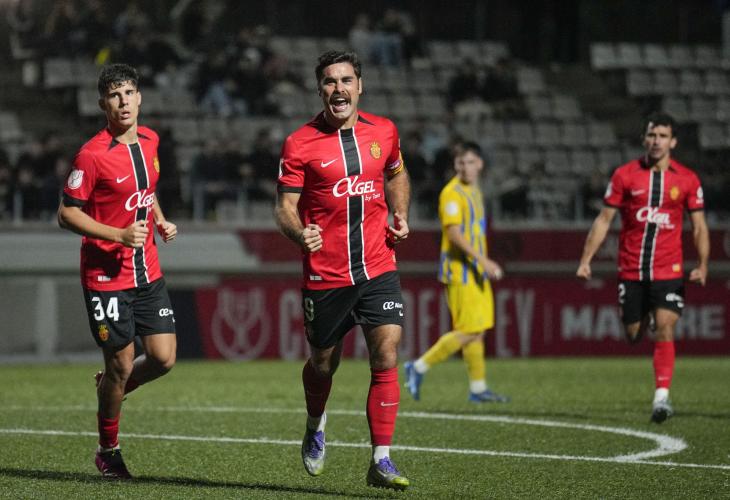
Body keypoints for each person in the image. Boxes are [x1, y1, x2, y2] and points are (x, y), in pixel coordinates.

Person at [275, 50, 411, 490]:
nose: (339, 89)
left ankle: (381, 459)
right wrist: (300, 233)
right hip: (327, 274)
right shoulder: (300, 142)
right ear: (320, 90)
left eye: (346, 80)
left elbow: (396, 174)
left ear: (360, 86)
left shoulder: (384, 131)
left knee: (386, 352)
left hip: (378, 265)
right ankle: (315, 423)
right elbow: (284, 206)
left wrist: (400, 213)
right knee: (322, 363)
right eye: (330, 81)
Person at [58, 63, 177, 478]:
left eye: (128, 93)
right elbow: (66, 214)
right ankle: (108, 451)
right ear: (102, 104)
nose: (123, 101)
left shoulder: (151, 139)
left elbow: (145, 189)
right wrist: (119, 235)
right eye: (114, 95)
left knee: (162, 358)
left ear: (139, 98)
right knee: (122, 364)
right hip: (106, 277)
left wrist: (159, 219)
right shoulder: (91, 155)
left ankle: (111, 385)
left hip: (147, 271)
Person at [576, 112, 709, 423]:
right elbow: (604, 220)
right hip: (632, 269)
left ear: (673, 142)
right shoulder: (625, 175)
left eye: (663, 136)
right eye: (652, 135)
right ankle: (644, 316)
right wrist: (585, 260)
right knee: (633, 334)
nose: (656, 141)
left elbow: (699, 227)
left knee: (666, 326)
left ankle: (661, 398)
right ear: (643, 139)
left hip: (668, 269)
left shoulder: (687, 179)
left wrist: (703, 265)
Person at [404, 142, 508, 403]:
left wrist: (481, 264)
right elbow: (453, 234)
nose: (465, 167)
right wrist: (484, 261)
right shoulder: (451, 194)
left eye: (470, 162)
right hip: (460, 271)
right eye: (461, 163)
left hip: (475, 271)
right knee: (469, 330)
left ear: (480, 164)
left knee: (478, 330)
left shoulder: (474, 190)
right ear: (455, 165)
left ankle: (478, 388)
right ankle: (418, 367)